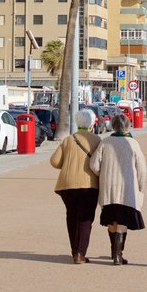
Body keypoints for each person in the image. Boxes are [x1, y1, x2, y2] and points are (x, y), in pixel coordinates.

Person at [90, 114, 147, 265]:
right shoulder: (133, 143)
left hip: (108, 189)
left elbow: (94, 165)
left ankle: (114, 252)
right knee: (122, 221)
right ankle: (118, 255)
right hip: (127, 189)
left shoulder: (105, 142)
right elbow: (142, 169)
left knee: (111, 219)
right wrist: (140, 187)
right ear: (127, 126)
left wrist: (103, 174)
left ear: (113, 125)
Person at [49, 109, 101, 264]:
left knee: (71, 216)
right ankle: (80, 253)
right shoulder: (97, 140)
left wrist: (69, 165)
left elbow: (54, 161)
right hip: (89, 185)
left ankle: (74, 251)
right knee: (85, 219)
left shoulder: (68, 140)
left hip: (67, 184)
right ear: (91, 124)